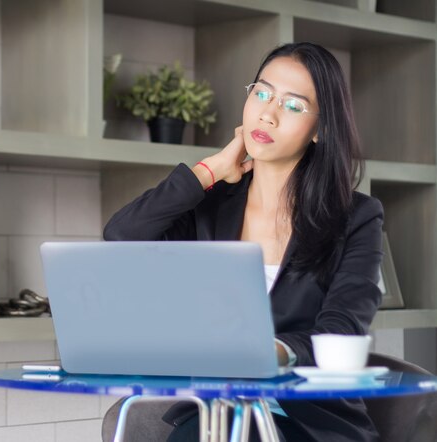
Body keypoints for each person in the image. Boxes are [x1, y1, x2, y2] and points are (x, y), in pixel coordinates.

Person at [103, 42, 384, 442]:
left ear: (321, 129)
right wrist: (208, 171)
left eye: (292, 105)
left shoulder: (357, 216)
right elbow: (122, 236)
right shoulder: (212, 206)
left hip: (308, 420)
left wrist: (273, 351)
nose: (267, 113)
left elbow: (342, 329)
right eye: (262, 93)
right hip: (217, 413)